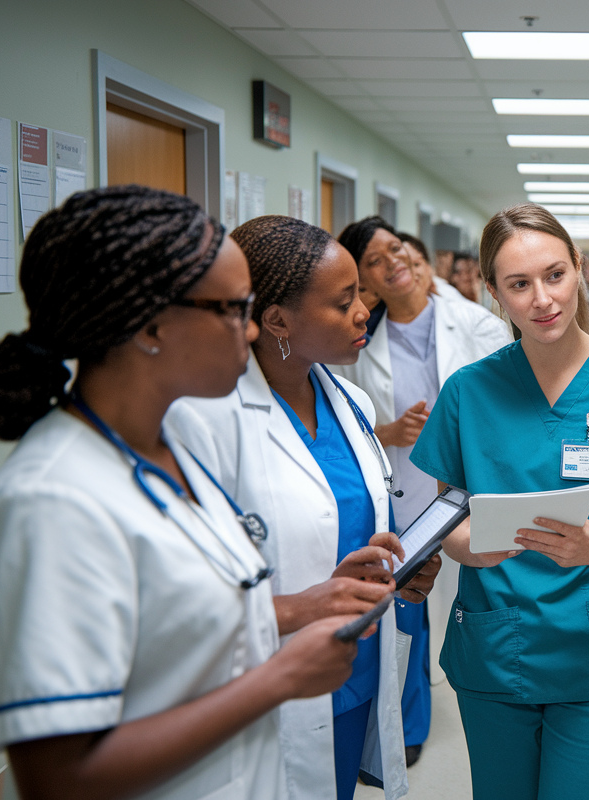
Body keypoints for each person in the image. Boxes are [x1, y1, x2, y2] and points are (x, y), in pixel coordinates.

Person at [0, 186, 367, 800]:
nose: (254, 328)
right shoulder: (50, 502)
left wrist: (311, 605)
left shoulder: (166, 456)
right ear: (150, 324)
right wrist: (279, 679)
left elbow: (183, 627)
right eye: (233, 310)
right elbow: (57, 778)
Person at [408, 203, 589, 800]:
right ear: (493, 293)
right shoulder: (468, 392)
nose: (542, 300)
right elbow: (446, 516)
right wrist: (470, 549)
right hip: (496, 645)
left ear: (579, 267)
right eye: (518, 284)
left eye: (555, 275)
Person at [166, 216, 441, 800]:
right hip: (267, 685)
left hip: (355, 669)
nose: (365, 311)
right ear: (277, 320)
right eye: (344, 303)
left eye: (360, 296)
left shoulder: (352, 401)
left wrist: (402, 571)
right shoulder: (203, 418)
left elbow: (359, 527)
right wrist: (301, 605)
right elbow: (180, 596)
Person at [331, 216, 511, 767]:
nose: (394, 263)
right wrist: (390, 432)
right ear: (366, 283)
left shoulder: (473, 323)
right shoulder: (361, 341)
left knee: (472, 602)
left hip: (468, 490)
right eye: (376, 262)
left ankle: (483, 697)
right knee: (405, 609)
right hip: (404, 492)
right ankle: (407, 725)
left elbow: (505, 403)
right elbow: (353, 417)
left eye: (397, 249)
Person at [399, 231, 466, 302]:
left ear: (428, 267)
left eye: (416, 264)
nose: (413, 272)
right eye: (403, 268)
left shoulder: (449, 294)